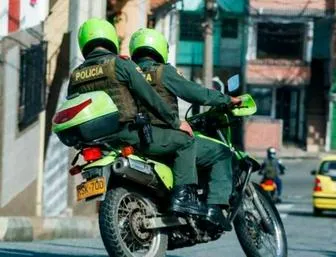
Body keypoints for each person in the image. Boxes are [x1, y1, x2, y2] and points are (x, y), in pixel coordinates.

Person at [67, 18, 207, 218]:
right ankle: (183, 197)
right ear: (111, 39)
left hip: (96, 143)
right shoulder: (120, 65)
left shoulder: (76, 75)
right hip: (128, 133)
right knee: (185, 141)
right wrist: (176, 122)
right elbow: (149, 97)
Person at [128, 28, 241, 230]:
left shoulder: (128, 74)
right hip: (165, 138)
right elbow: (196, 93)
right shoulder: (162, 71)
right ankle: (214, 209)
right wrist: (226, 100)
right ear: (160, 49)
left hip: (136, 139)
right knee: (221, 152)